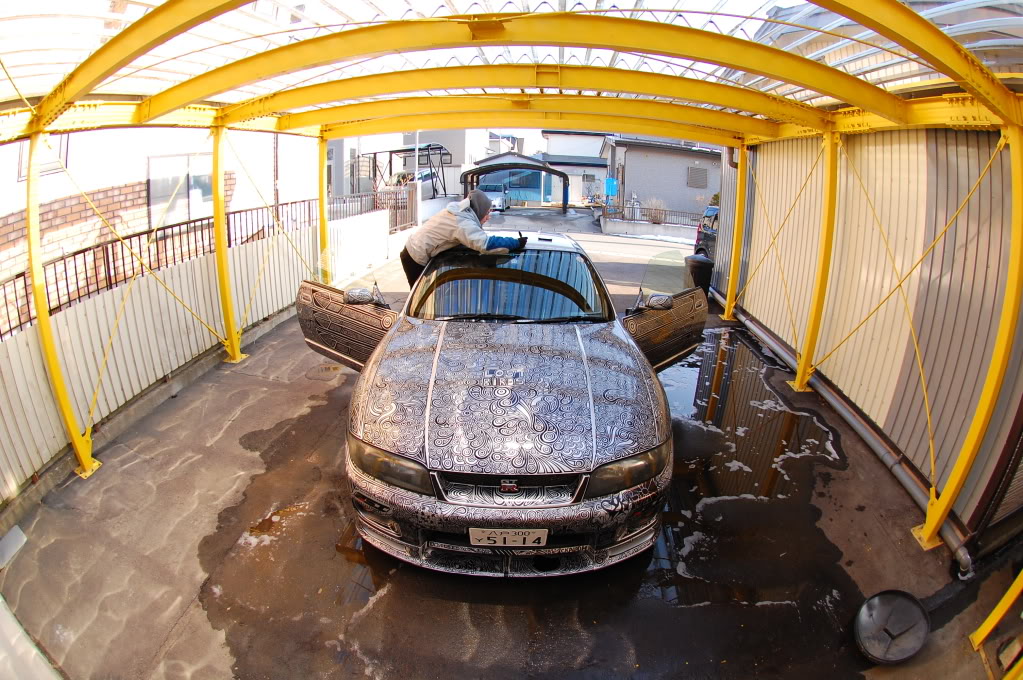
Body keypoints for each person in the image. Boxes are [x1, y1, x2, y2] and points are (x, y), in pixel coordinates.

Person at [399, 189, 527, 287]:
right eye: (487, 213)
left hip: (414, 250)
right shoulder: (463, 222)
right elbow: (486, 245)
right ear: (480, 210)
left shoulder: (459, 212)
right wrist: (515, 243)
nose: (488, 217)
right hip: (415, 257)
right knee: (424, 297)